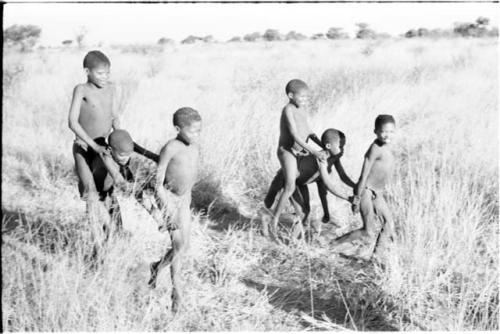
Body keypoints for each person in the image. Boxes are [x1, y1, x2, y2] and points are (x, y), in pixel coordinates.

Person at [148, 107, 202, 314]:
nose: (196, 135)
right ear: (178, 128)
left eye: (199, 131)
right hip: (170, 201)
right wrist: (167, 209)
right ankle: (176, 294)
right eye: (192, 131)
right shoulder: (170, 147)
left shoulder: (194, 146)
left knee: (184, 247)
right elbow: (157, 182)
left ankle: (156, 267)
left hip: (185, 202)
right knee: (178, 247)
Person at [263, 129, 356, 239]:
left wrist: (357, 186)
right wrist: (347, 198)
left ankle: (293, 241)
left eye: (343, 146)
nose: (343, 150)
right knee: (302, 214)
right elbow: (328, 184)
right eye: (340, 146)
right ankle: (269, 218)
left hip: (301, 183)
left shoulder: (333, 159)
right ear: (328, 146)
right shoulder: (322, 158)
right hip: (290, 179)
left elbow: (339, 179)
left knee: (305, 214)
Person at [266, 79, 325, 240]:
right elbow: (294, 135)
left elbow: (308, 130)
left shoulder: (302, 110)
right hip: (287, 151)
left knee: (299, 181)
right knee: (290, 186)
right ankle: (274, 220)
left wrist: (321, 145)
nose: (305, 101)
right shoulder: (288, 110)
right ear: (291, 95)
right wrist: (314, 151)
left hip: (300, 152)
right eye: (302, 97)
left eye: (307, 98)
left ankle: (299, 224)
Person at [332, 115, 396, 260]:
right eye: (383, 131)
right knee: (368, 231)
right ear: (375, 131)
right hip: (366, 191)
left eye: (391, 131)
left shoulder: (388, 147)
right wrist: (357, 197)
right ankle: (332, 245)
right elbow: (363, 176)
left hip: (377, 193)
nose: (387, 135)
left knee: (389, 224)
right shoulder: (374, 149)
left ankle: (375, 258)